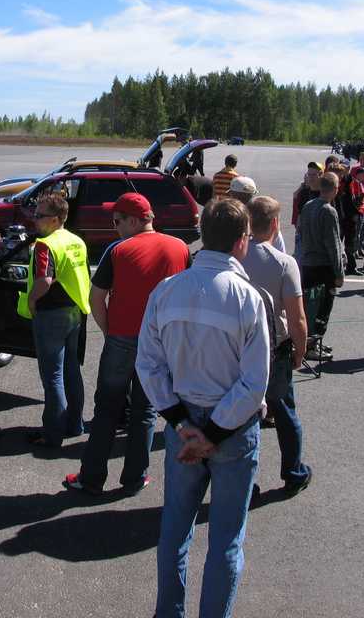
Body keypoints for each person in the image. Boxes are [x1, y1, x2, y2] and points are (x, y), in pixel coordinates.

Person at [137, 198, 269, 618]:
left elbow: (148, 365)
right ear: (242, 241)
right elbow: (254, 383)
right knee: (226, 540)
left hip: (183, 426)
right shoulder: (247, 298)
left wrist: (181, 423)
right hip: (232, 431)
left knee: (175, 530)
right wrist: (212, 433)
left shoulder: (166, 291)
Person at [63, 192, 190, 496]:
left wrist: (110, 331)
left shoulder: (118, 250)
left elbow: (96, 298)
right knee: (145, 411)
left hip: (122, 338)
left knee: (107, 408)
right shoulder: (180, 248)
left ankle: (91, 478)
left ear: (133, 221)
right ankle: (135, 477)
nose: (115, 227)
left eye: (117, 221)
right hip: (160, 343)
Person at [241, 196, 312, 495]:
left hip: (240, 346)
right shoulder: (284, 263)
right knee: (284, 412)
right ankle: (293, 472)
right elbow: (297, 318)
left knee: (243, 415)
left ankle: (244, 478)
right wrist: (300, 349)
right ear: (274, 224)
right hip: (274, 347)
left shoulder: (236, 256)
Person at [19, 193, 91, 448]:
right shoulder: (76, 241)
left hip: (51, 314)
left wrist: (31, 300)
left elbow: (44, 281)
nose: (34, 219)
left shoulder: (45, 244)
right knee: (72, 371)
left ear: (56, 219)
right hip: (74, 310)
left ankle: (52, 434)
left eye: (39, 215)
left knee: (53, 377)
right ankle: (75, 424)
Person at [297, 172, 344, 360]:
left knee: (309, 306)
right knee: (322, 309)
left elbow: (300, 231)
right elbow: (333, 244)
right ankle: (312, 346)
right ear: (335, 189)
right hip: (323, 266)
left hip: (308, 264)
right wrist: (339, 273)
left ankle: (311, 342)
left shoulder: (308, 206)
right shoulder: (328, 211)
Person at [340, 165, 364, 275]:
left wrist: (358, 213)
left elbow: (361, 199)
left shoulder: (354, 182)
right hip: (340, 217)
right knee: (337, 243)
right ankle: (336, 267)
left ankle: (351, 267)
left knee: (350, 244)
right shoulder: (337, 181)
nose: (344, 170)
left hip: (351, 218)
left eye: (346, 168)